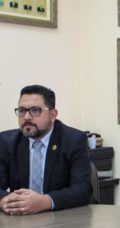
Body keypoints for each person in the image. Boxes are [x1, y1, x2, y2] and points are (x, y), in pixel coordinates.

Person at [0, 85, 92, 215]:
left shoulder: (74, 140)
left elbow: (83, 189)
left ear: (52, 115)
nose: (26, 117)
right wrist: (4, 200)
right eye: (22, 110)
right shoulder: (7, 141)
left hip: (63, 219)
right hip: (21, 220)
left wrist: (45, 201)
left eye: (35, 110)